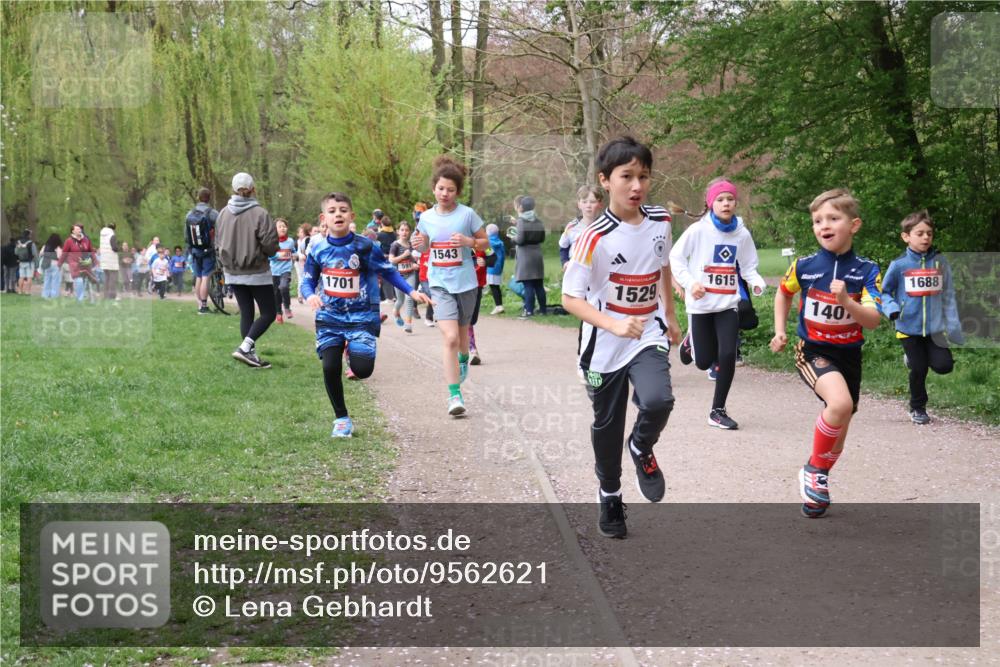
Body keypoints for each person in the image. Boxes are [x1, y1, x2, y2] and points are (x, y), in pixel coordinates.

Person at [562, 136, 682, 539]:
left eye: (644, 176)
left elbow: (662, 265)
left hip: (647, 332)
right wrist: (611, 324)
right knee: (606, 426)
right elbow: (569, 298)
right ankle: (610, 494)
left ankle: (642, 446)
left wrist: (670, 314)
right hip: (602, 347)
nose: (637, 186)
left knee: (658, 399)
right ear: (605, 181)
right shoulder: (591, 237)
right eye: (626, 176)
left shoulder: (661, 221)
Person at [770, 188, 885, 518]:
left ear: (854, 225)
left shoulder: (866, 271)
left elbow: (874, 320)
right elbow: (783, 294)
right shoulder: (804, 266)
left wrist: (847, 302)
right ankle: (814, 474)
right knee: (840, 404)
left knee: (840, 433)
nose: (824, 225)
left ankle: (815, 484)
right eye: (818, 220)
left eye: (833, 218)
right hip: (813, 351)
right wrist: (780, 330)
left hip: (849, 355)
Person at [301, 192, 431, 437]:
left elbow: (389, 271)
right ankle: (341, 419)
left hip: (361, 317)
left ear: (352, 216)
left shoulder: (365, 246)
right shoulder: (317, 247)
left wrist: (411, 292)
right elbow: (308, 281)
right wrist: (310, 296)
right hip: (329, 317)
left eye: (342, 210)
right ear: (323, 218)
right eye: (332, 211)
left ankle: (353, 351)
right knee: (329, 367)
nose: (337, 214)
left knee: (362, 370)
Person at [669, 178, 766, 430]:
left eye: (730, 199)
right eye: (720, 199)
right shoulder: (698, 231)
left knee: (727, 355)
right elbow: (676, 258)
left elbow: (748, 265)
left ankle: (717, 410)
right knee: (703, 362)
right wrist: (690, 284)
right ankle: (691, 343)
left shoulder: (741, 233)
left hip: (727, 304)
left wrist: (755, 282)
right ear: (710, 203)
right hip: (701, 304)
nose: (726, 203)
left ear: (735, 203)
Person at [411, 155, 489, 417]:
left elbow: (485, 242)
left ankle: (464, 359)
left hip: (466, 284)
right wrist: (418, 245)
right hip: (440, 284)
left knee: (463, 335)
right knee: (451, 337)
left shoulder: (467, 214)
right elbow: (423, 246)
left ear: (457, 192)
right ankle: (454, 395)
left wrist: (468, 242)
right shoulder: (426, 218)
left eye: (451, 189)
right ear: (434, 188)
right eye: (441, 188)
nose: (445, 193)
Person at [879, 210, 962, 425]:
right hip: (907, 327)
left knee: (944, 366)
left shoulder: (940, 264)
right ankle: (917, 407)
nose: (926, 237)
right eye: (920, 233)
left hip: (935, 328)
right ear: (906, 237)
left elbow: (949, 295)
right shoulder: (899, 265)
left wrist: (953, 326)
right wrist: (892, 309)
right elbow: (885, 292)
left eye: (929, 233)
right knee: (919, 368)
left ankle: (912, 359)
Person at [216, 172, 279, 368]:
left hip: (232, 272)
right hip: (257, 271)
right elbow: (270, 245)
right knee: (269, 312)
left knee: (247, 313)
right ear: (253, 189)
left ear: (233, 190)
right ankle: (245, 348)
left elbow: (217, 243)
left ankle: (249, 353)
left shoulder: (222, 214)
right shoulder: (260, 213)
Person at [186, 187, 219, 314]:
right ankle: (204, 306)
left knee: (198, 276)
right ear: (209, 198)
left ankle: (199, 305)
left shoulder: (189, 214)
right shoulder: (213, 213)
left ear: (198, 197)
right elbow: (221, 229)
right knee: (206, 277)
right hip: (208, 250)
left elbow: (186, 235)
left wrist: (191, 248)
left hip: (195, 251)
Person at [513, 195, 547, 318]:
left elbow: (520, 240)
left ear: (521, 207)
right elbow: (542, 238)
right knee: (539, 284)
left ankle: (529, 311)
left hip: (525, 255)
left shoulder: (521, 221)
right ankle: (543, 310)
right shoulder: (538, 220)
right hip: (537, 253)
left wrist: (513, 238)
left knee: (528, 285)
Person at [559, 185, 604, 268]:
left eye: (593, 202)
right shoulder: (571, 227)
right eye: (584, 202)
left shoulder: (605, 227)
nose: (588, 205)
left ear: (600, 204)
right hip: (576, 270)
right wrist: (565, 262)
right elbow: (563, 247)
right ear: (579, 204)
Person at [388, 221, 419, 333]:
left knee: (410, 298)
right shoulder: (395, 245)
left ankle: (408, 323)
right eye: (402, 230)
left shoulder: (411, 245)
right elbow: (391, 260)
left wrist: (415, 264)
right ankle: (396, 312)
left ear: (409, 232)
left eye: (406, 230)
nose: (404, 232)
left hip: (410, 274)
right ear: (398, 232)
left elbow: (413, 260)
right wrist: (403, 255)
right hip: (398, 276)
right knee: (400, 300)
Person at [59, 225, 99, 302]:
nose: (79, 230)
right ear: (73, 231)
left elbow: (91, 252)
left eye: (80, 229)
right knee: (79, 280)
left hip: (86, 263)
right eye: (77, 229)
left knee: (89, 281)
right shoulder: (69, 241)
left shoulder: (86, 240)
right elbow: (64, 253)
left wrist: (96, 261)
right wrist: (59, 263)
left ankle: (91, 299)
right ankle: (80, 299)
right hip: (75, 264)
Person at [270, 218, 296, 323]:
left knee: (284, 287)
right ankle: (278, 313)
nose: (282, 228)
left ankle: (287, 307)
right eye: (280, 226)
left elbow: (294, 251)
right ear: (275, 229)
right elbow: (268, 255)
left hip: (286, 270)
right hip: (274, 271)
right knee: (276, 293)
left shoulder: (290, 241)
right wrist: (278, 255)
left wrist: (295, 255)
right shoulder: (272, 241)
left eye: (284, 226)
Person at [486, 223, 506, 314]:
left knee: (493, 287)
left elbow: (487, 253)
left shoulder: (489, 243)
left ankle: (498, 306)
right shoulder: (500, 242)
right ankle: (499, 305)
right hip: (499, 267)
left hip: (491, 267)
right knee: (496, 287)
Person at [97, 223, 120, 300]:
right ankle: (112, 296)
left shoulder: (102, 235)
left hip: (104, 259)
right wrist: (118, 247)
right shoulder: (112, 235)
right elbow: (114, 248)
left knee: (107, 278)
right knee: (113, 279)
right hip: (111, 260)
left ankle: (105, 295)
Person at [39, 233, 63, 299]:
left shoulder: (45, 246)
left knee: (47, 280)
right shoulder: (58, 247)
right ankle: (54, 295)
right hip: (55, 264)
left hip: (47, 264)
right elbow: (59, 256)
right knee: (55, 281)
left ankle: (45, 295)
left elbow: (41, 254)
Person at [14, 230, 38, 295]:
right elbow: (35, 253)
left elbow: (16, 252)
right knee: (29, 277)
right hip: (30, 262)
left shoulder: (18, 242)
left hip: (21, 262)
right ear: (29, 235)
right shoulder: (31, 243)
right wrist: (37, 263)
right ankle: (27, 291)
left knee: (21, 277)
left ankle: (20, 291)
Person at [295, 223, 312, 303]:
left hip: (305, 261)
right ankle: (300, 296)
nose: (300, 234)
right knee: (300, 278)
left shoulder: (307, 240)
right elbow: (294, 252)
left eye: (302, 232)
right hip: (298, 262)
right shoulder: (297, 242)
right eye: (299, 232)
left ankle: (305, 294)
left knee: (305, 277)